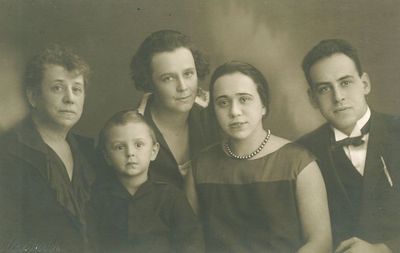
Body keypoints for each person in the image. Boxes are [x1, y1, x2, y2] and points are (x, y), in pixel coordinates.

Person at [194, 61, 332, 253]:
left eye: (244, 99)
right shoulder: (201, 165)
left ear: (263, 105)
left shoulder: (299, 162)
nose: (234, 111)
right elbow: (189, 239)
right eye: (223, 102)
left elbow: (320, 242)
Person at [298, 39, 400, 253]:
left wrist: (384, 249)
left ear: (365, 84)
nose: (338, 97)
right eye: (325, 89)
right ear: (312, 98)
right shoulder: (301, 153)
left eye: (345, 83)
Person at [0, 45, 95, 253]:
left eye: (77, 89)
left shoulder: (92, 152)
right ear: (33, 96)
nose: (70, 98)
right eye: (58, 88)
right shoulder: (6, 154)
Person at [89, 110, 204, 253]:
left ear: (154, 151)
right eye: (119, 147)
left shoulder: (171, 197)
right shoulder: (98, 199)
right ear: (107, 157)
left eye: (138, 145)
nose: (130, 153)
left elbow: (191, 241)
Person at [130, 29, 217, 210]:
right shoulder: (128, 130)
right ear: (149, 82)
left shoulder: (214, 116)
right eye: (168, 78)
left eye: (188, 74)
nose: (183, 87)